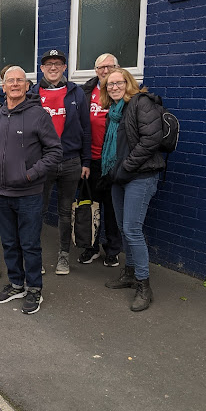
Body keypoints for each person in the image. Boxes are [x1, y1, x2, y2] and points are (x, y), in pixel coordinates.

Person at [0, 66, 62, 314]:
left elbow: (55, 151)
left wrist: (30, 174)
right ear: (3, 87)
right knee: (8, 242)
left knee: (30, 244)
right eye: (10, 81)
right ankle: (16, 284)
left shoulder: (39, 115)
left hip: (29, 194)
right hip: (0, 193)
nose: (14, 84)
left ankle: (34, 288)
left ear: (27, 86)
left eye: (20, 80)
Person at [101, 68, 164, 312]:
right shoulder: (114, 111)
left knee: (132, 229)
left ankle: (143, 285)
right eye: (110, 84)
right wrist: (114, 171)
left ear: (129, 83)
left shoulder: (141, 103)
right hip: (118, 177)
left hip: (140, 176)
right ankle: (129, 273)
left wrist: (126, 166)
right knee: (122, 227)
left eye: (119, 83)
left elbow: (151, 140)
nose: (114, 87)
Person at [32, 49, 91, 276]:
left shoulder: (76, 93)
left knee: (65, 212)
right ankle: (35, 256)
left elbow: (86, 129)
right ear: (42, 68)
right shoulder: (33, 94)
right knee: (38, 210)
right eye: (49, 64)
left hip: (70, 161)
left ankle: (64, 256)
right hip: (43, 162)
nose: (53, 67)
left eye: (58, 63)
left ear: (65, 67)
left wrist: (86, 161)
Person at [78, 53, 122, 266]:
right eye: (100, 67)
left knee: (113, 209)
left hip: (114, 163)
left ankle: (113, 250)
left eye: (110, 66)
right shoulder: (86, 91)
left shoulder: (121, 91)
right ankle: (91, 247)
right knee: (90, 207)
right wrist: (83, 160)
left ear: (117, 68)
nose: (105, 71)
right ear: (95, 70)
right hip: (91, 161)